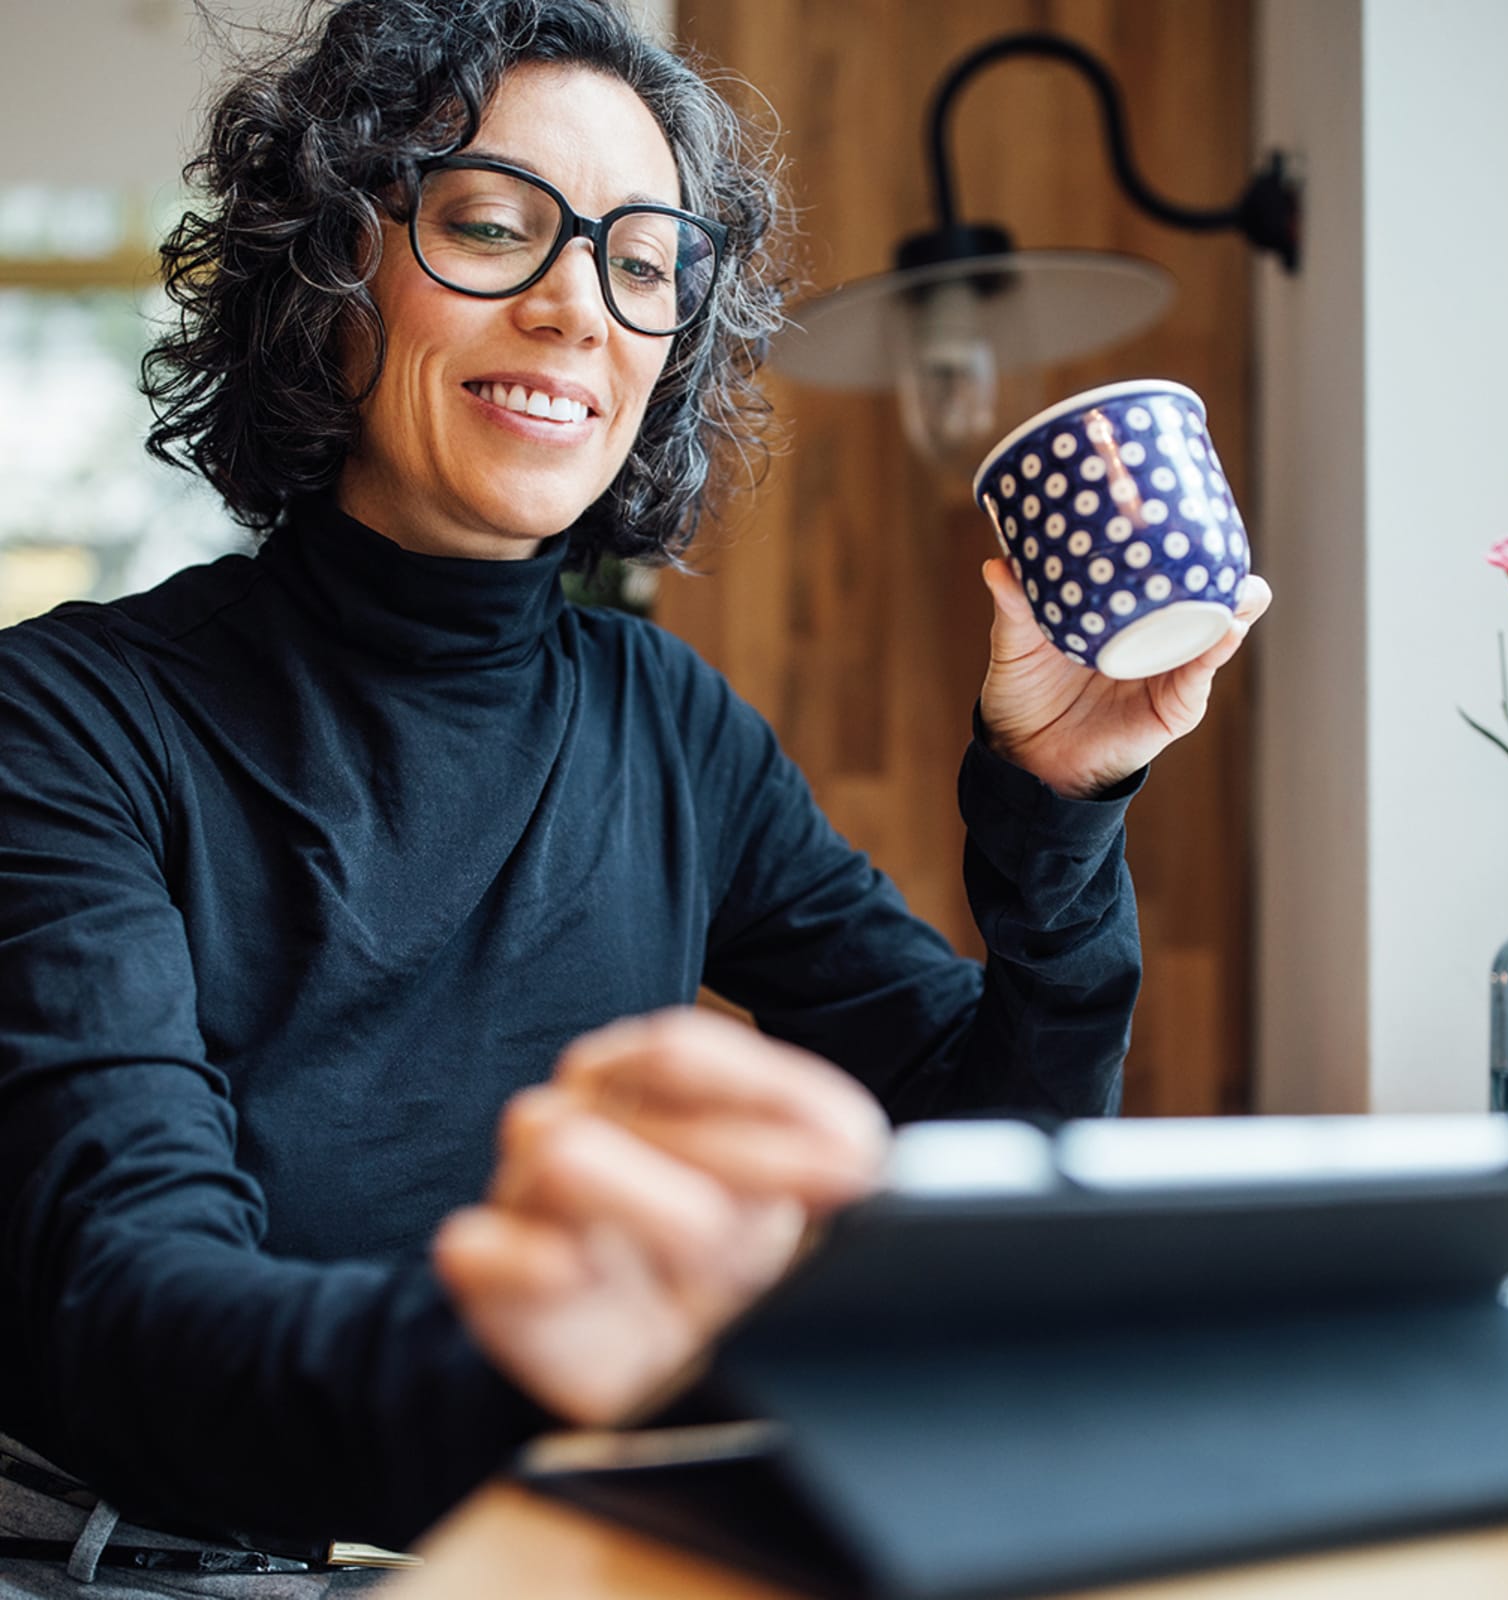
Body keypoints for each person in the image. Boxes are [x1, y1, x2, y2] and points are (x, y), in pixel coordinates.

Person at [0, 0, 1269, 1591]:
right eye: (489, 225)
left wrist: (1056, 803)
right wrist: (567, 1366)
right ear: (327, 275)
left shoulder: (667, 720)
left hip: (563, 1543)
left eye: (643, 261)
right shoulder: (65, 721)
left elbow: (984, 1135)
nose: (574, 307)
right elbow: (127, 1303)